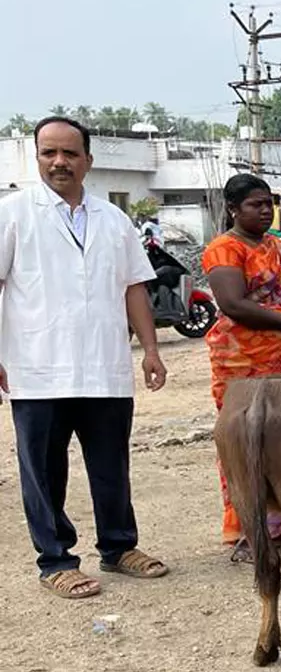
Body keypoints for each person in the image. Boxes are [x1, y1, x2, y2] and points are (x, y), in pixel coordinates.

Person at [0, 116, 169, 597]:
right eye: (49, 153)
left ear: (88, 161)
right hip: (37, 369)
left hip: (105, 367)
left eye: (69, 154)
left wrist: (151, 350)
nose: (59, 162)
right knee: (44, 470)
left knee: (111, 465)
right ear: (36, 158)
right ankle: (55, 559)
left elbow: (134, 287)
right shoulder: (13, 215)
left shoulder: (114, 220)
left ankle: (118, 547)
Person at [202, 173, 281, 561]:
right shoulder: (224, 248)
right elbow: (234, 304)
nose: (266, 210)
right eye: (256, 204)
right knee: (244, 444)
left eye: (269, 202)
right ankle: (250, 532)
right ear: (234, 209)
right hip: (241, 362)